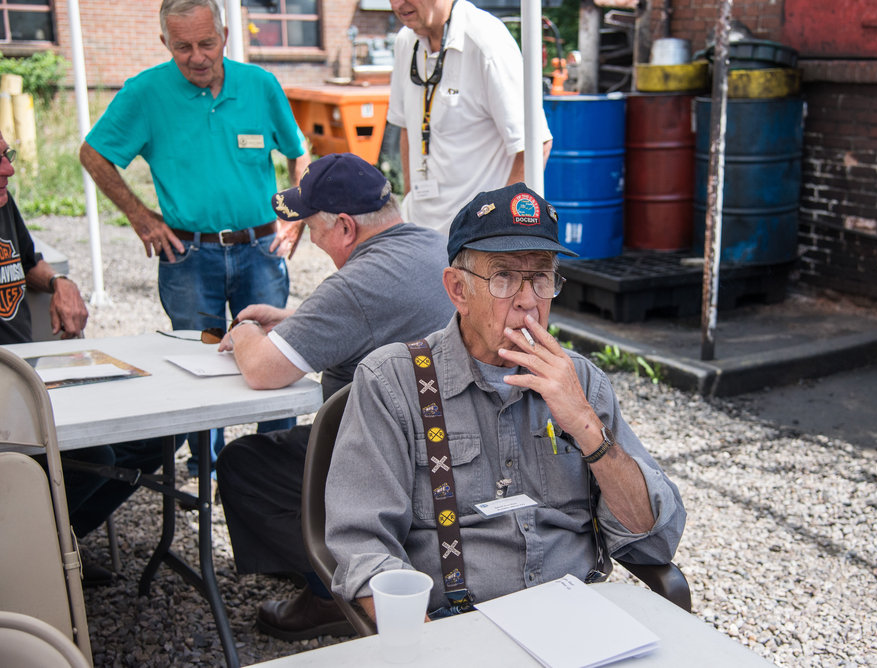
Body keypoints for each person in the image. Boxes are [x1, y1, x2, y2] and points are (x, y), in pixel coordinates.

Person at [325, 183, 686, 622]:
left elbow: (653, 540)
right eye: (504, 277)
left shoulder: (582, 381)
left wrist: (587, 426)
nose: (529, 301)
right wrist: (433, 648)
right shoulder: (393, 382)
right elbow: (363, 547)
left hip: (580, 620)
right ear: (457, 290)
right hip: (459, 628)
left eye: (541, 277)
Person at [215, 152, 455, 640]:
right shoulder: (436, 246)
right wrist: (297, 321)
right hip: (454, 446)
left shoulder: (358, 283)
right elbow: (374, 316)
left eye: (312, 226)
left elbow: (263, 370)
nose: (311, 238)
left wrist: (241, 331)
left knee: (245, 466)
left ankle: (333, 587)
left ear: (344, 227)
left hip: (396, 462)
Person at [79, 0, 312, 490]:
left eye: (206, 43)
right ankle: (205, 473)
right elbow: (94, 153)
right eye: (183, 46)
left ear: (224, 37)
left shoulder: (260, 86)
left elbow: (298, 154)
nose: (197, 56)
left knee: (277, 352)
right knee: (200, 360)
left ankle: (278, 463)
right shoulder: (144, 93)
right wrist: (140, 217)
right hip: (188, 256)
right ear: (165, 44)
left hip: (259, 250)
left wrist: (295, 216)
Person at [0, 131, 162, 585]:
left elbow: (28, 261)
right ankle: (31, 561)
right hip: (10, 397)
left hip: (30, 376)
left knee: (152, 438)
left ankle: (55, 546)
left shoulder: (3, 203)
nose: (9, 169)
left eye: (7, 155)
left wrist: (59, 284)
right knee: (97, 452)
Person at [388, 0, 553, 234]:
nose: (397, 4)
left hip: (475, 243)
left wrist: (493, 230)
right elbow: (407, 127)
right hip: (420, 233)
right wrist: (409, 202)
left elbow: (535, 144)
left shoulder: (485, 39)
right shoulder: (405, 41)